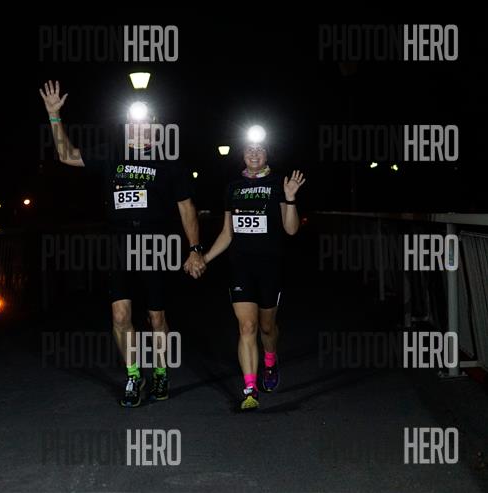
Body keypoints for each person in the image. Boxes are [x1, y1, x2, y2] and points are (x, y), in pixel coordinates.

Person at [39, 80, 206, 407]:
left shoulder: (169, 162)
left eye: (144, 124)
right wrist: (54, 115)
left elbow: (187, 208)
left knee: (156, 318)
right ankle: (133, 376)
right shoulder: (112, 154)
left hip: (155, 243)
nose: (138, 129)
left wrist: (195, 249)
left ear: (155, 127)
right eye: (132, 123)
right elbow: (66, 155)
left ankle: (160, 372)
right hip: (119, 242)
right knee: (119, 315)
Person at [201, 135, 305, 410]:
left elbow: (291, 229)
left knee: (267, 327)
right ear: (243, 154)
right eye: (250, 149)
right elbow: (227, 233)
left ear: (267, 154)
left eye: (260, 149)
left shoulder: (279, 183)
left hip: (270, 265)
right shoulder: (233, 187)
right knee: (247, 326)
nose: (255, 153)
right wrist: (205, 258)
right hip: (240, 266)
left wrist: (291, 198)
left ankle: (270, 360)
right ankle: (250, 388)